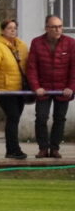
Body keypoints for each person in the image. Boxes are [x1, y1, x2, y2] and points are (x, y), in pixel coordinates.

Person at [26, 15, 75, 158]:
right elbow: (32, 68)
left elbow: (74, 68)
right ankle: (43, 148)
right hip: (43, 89)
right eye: (54, 27)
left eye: (60, 26)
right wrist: (36, 87)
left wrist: (71, 87)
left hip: (63, 89)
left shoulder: (70, 43)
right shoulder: (37, 43)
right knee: (41, 118)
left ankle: (55, 148)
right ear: (47, 28)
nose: (57, 29)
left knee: (59, 118)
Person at [0, 19, 31, 159]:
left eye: (15, 28)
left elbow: (28, 65)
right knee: (13, 116)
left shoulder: (21, 46)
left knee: (15, 118)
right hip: (5, 89)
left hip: (19, 89)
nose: (13, 30)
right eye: (9, 28)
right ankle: (13, 149)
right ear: (3, 30)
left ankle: (12, 149)